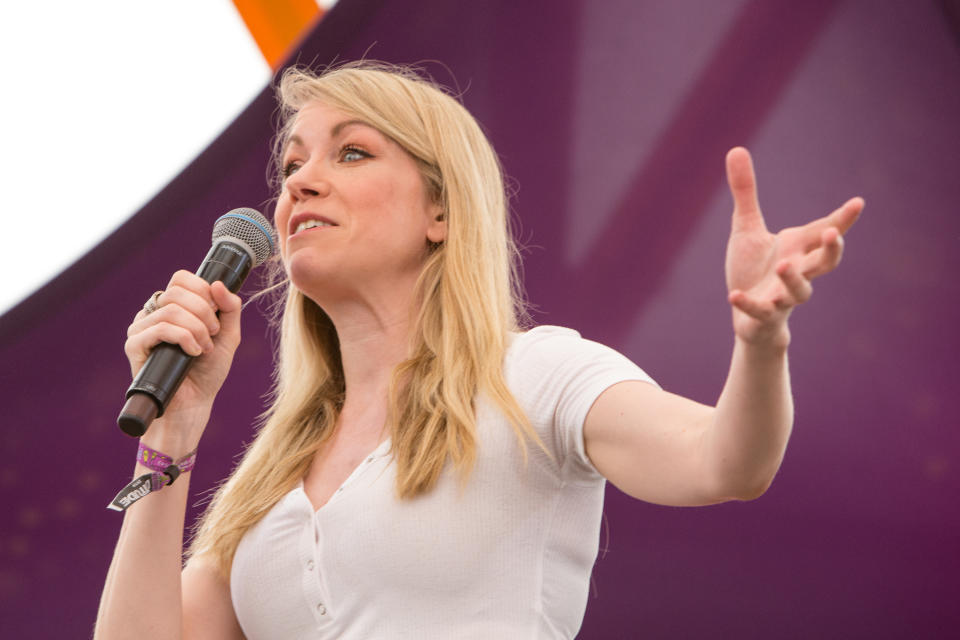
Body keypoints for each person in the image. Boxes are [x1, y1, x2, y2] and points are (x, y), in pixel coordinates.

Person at [94, 61, 863, 639]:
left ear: (441, 210)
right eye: (292, 166)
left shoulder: (535, 378)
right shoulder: (269, 482)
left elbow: (724, 462)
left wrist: (761, 343)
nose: (301, 185)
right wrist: (169, 439)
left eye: (351, 153)